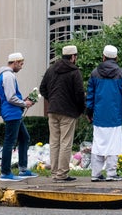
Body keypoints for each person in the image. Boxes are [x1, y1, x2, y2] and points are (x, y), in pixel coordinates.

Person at [85, 45, 122, 182]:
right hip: (115, 115)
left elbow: (90, 95)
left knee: (98, 144)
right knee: (114, 145)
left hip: (99, 115)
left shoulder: (95, 73)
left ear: (103, 57)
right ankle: (111, 173)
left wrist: (89, 111)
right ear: (116, 58)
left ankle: (95, 173)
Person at [39, 45, 85, 182]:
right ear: (73, 57)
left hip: (52, 110)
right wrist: (81, 109)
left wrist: (51, 99)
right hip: (68, 112)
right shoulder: (74, 71)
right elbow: (79, 93)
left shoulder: (51, 69)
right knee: (66, 143)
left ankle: (54, 172)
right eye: (75, 56)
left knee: (54, 142)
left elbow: (42, 88)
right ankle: (62, 174)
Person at [0, 52, 38, 182]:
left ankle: (23, 169)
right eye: (20, 64)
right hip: (12, 112)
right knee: (10, 141)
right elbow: (10, 97)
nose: (21, 67)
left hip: (12, 112)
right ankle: (5, 173)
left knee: (24, 137)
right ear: (14, 62)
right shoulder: (8, 76)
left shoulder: (4, 75)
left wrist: (23, 101)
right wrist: (24, 103)